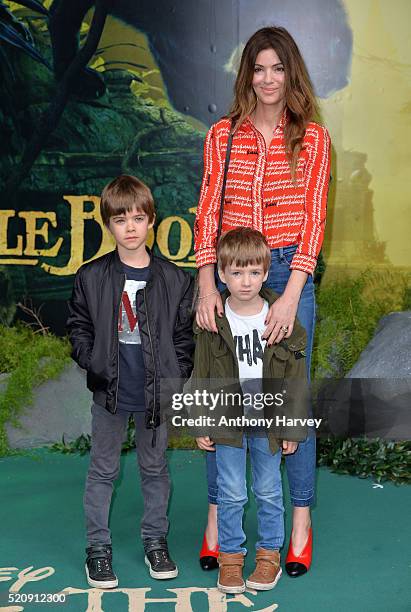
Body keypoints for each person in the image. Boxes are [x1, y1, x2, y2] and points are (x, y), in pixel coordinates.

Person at [194, 26, 331, 577]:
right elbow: (206, 209)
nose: (268, 79)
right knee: (219, 393)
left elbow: (314, 219)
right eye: (258, 68)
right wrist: (207, 285)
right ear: (246, 74)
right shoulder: (223, 135)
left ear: (291, 73)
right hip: (230, 274)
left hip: (289, 272)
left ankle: (299, 524)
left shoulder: (313, 138)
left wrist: (292, 294)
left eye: (278, 68)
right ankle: (214, 519)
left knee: (286, 402)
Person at [66, 174, 194, 588]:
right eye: (121, 220)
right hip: (110, 392)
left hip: (157, 394)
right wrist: (95, 363)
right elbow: (79, 327)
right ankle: (97, 550)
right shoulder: (91, 276)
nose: (131, 227)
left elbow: (183, 335)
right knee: (102, 470)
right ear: (108, 225)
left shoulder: (175, 278)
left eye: (139, 218)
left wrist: (177, 374)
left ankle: (155, 541)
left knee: (154, 469)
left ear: (152, 220)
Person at [192, 227, 308, 593]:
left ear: (266, 271)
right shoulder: (213, 320)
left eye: (254, 272)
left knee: (270, 490)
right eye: (237, 273)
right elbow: (201, 374)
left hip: (268, 423)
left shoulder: (281, 319)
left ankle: (269, 554)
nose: (246, 282)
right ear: (222, 274)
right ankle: (230, 558)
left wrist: (291, 428)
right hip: (228, 422)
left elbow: (294, 380)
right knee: (230, 491)